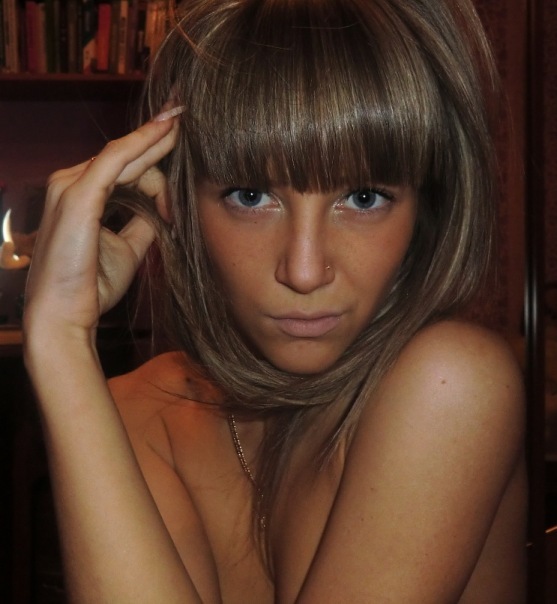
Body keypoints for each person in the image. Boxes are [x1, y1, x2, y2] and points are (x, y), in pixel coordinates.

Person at [23, 0, 527, 601]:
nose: (305, 271)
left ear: (425, 208)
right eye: (250, 195)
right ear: (176, 200)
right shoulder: (138, 412)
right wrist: (59, 340)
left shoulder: (450, 383)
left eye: (364, 198)